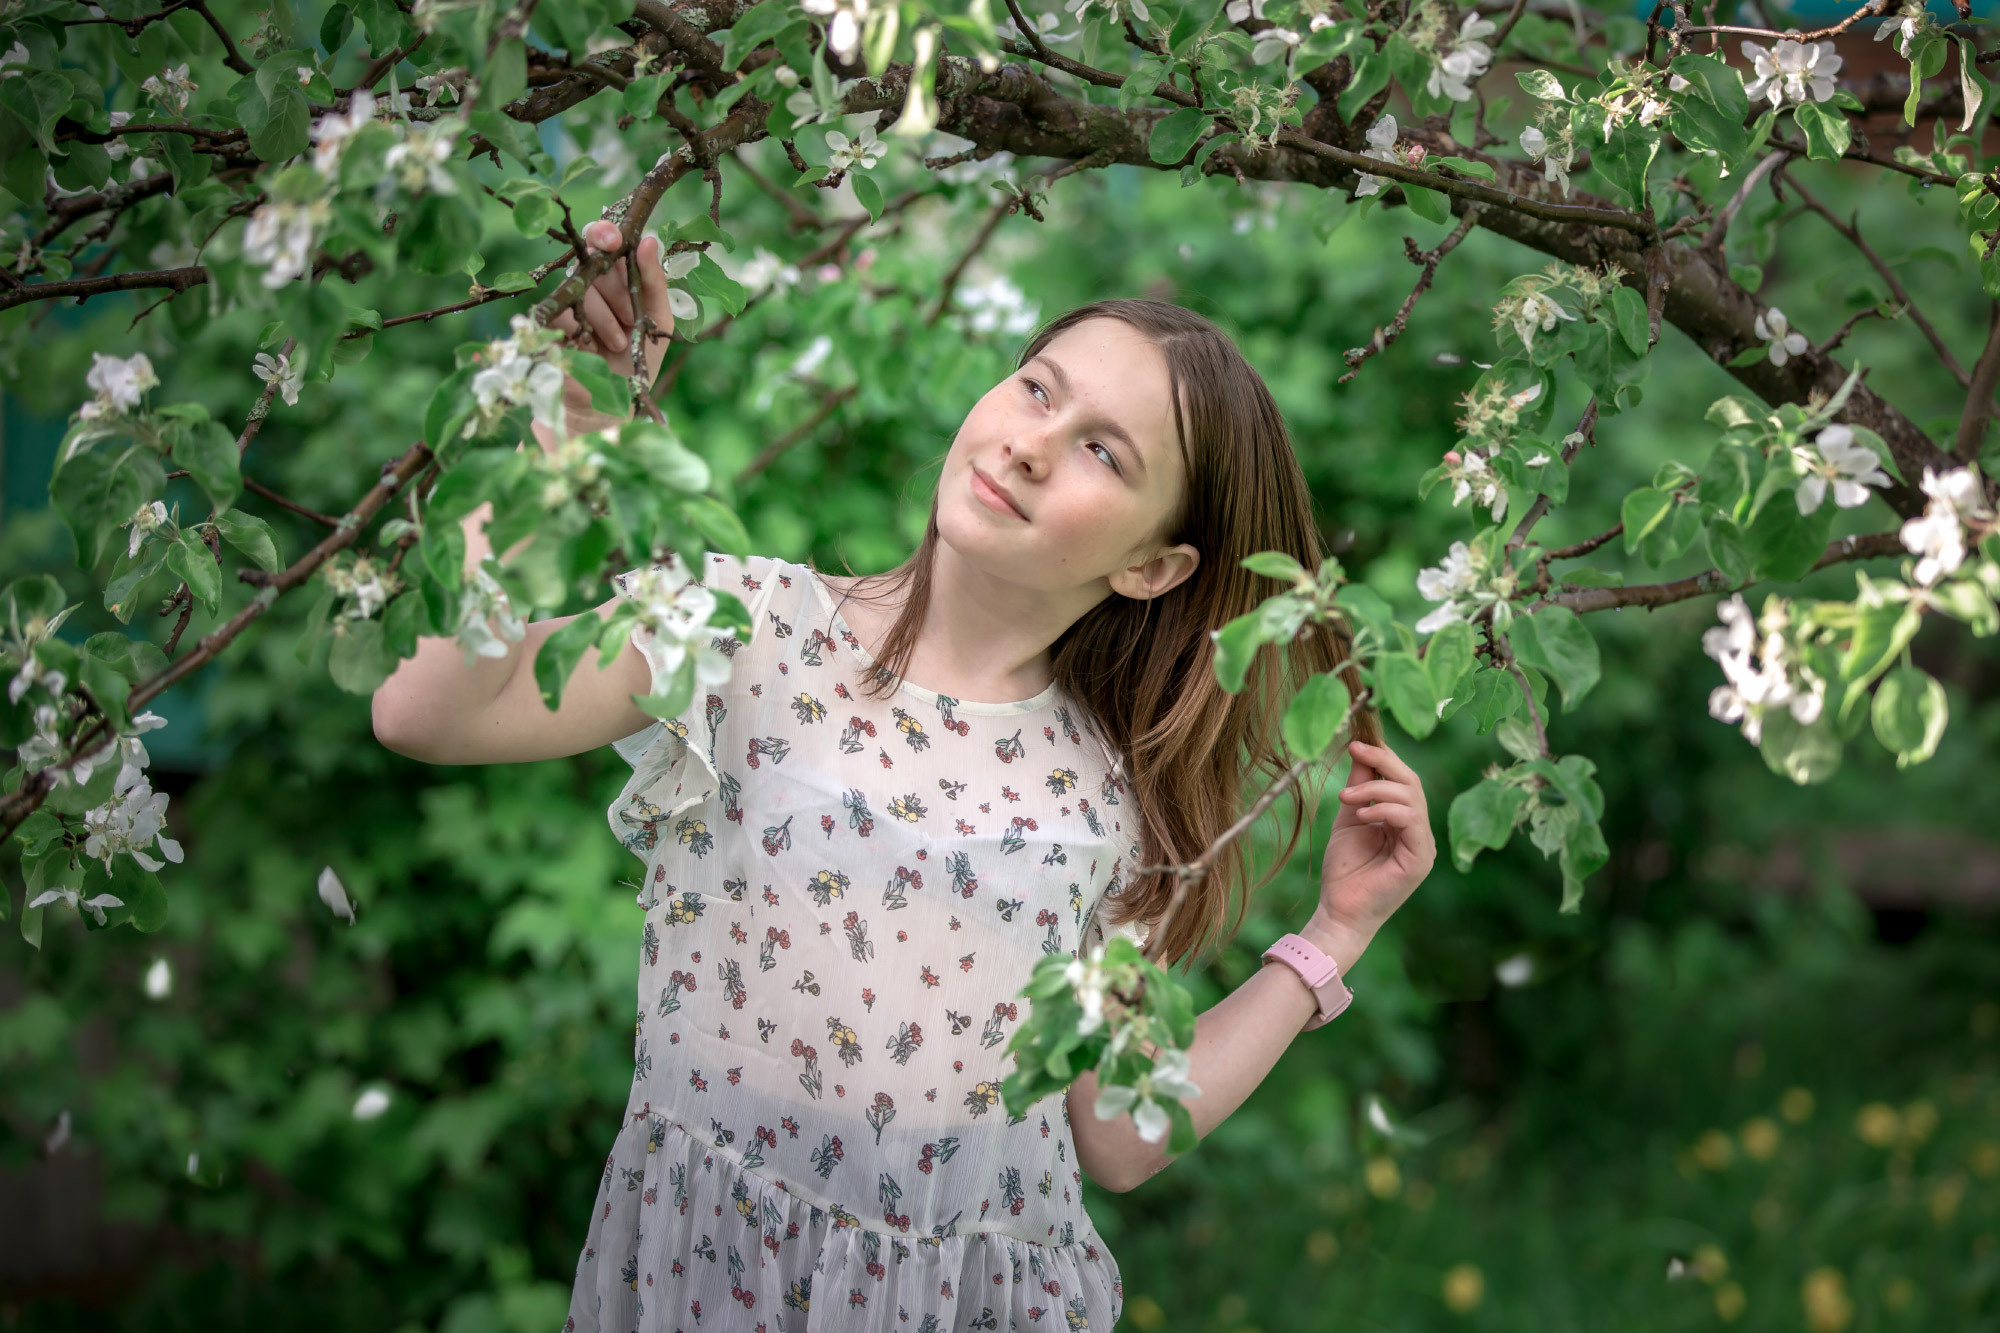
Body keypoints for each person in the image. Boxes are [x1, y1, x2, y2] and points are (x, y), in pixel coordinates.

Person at [372, 218, 1436, 1332]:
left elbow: (1116, 1134)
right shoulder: (744, 630)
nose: (1032, 442)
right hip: (704, 1279)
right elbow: (424, 710)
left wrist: (1334, 938)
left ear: (1151, 564)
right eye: (1036, 389)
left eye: (1101, 451)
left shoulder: (1114, 797)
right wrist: (560, 437)